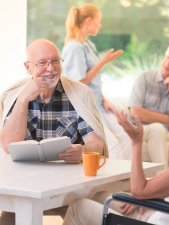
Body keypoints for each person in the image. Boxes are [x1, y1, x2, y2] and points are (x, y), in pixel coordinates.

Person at [62, 87, 169, 225]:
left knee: (79, 206)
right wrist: (145, 198)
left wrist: (136, 142)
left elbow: (140, 190)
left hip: (167, 220)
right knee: (99, 195)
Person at [0, 39, 108, 224]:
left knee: (90, 205)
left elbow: (97, 144)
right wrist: (24, 100)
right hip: (24, 182)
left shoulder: (79, 94)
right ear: (28, 66)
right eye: (42, 63)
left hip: (68, 185)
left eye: (55, 61)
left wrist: (82, 152)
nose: (51, 68)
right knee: (10, 219)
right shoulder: (13, 94)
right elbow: (9, 145)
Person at [62, 3, 131, 160]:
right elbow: (78, 84)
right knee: (111, 144)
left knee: (127, 136)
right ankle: (112, 181)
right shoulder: (74, 48)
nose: (100, 25)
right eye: (98, 21)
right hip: (86, 108)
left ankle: (126, 179)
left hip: (98, 103)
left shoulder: (88, 44)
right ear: (88, 21)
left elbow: (94, 83)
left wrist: (105, 100)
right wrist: (103, 62)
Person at [128, 43, 169, 166]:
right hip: (144, 129)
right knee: (158, 128)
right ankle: (162, 179)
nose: (168, 63)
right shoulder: (145, 78)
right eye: (167, 57)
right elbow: (136, 112)